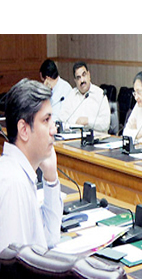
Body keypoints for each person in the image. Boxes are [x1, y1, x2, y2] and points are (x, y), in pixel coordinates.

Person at [0, 79, 63, 253]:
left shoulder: (19, 172)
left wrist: (51, 178)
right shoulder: (13, 183)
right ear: (24, 130)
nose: (54, 130)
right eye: (46, 120)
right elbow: (12, 272)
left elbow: (49, 237)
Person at [58, 61, 110, 133]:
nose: (82, 80)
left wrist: (87, 121)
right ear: (75, 81)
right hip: (75, 139)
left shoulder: (100, 94)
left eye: (84, 75)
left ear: (89, 75)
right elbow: (62, 117)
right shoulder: (71, 95)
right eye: (78, 78)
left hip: (97, 139)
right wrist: (76, 120)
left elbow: (105, 123)